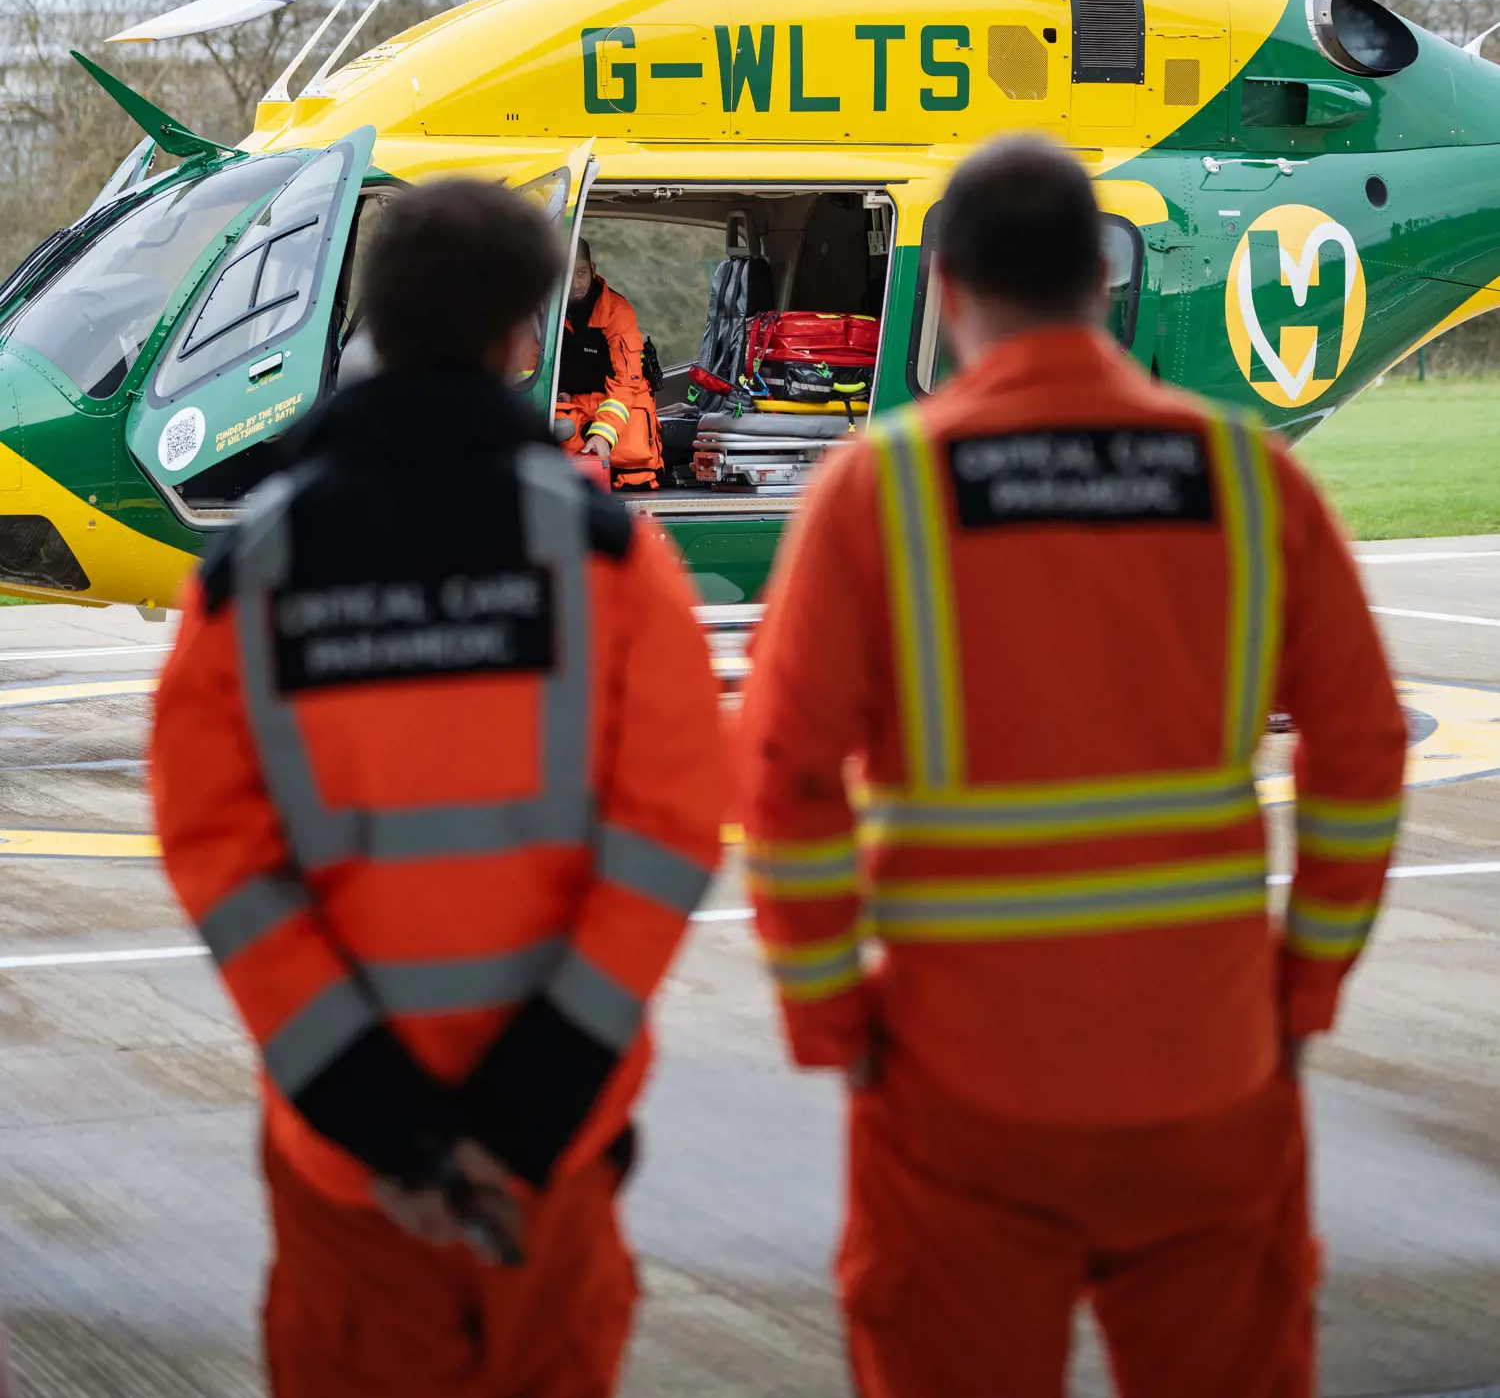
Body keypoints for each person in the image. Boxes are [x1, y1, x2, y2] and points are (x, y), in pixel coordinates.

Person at [740, 134, 1407, 1398]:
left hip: (956, 1085)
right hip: (1209, 1069)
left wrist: (835, 1020)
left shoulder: (878, 494)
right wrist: (1301, 994)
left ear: (941, 290)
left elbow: (782, 777)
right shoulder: (1250, 481)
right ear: (1102, 281)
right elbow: (1362, 751)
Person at [151, 177, 722, 1398]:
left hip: (349, 1169)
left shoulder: (247, 578)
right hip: (554, 1149)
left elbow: (224, 869)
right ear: (528, 335)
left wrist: (384, 1124)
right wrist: (525, 1113)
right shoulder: (613, 560)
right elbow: (667, 842)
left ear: (364, 319)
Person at [555, 240, 662, 487]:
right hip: (574, 419)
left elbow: (626, 383)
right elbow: (529, 369)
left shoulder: (617, 312)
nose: (575, 283)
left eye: (581, 273)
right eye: (567, 274)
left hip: (620, 425)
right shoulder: (546, 313)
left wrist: (603, 433)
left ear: (593, 269)